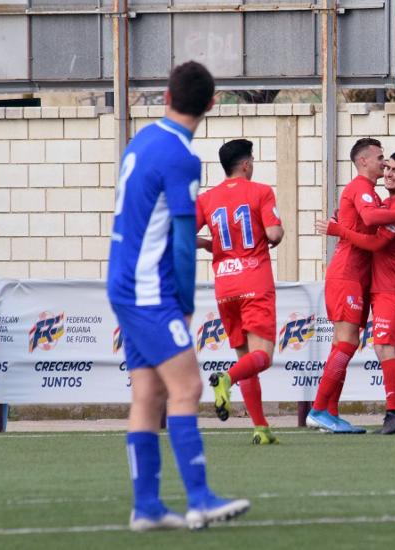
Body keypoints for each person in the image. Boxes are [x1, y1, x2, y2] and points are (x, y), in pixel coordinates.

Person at [107, 61, 249, 531]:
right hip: (151, 290)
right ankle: (200, 498)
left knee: (148, 392)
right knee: (187, 388)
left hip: (124, 281)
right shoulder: (182, 158)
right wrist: (184, 304)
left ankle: (146, 506)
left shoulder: (142, 140)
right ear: (212, 104)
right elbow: (186, 240)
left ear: (166, 95)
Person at [306, 138, 395, 434]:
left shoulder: (375, 194)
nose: (385, 164)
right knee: (348, 342)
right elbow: (368, 219)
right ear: (363, 160)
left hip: (361, 278)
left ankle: (329, 413)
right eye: (381, 158)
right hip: (348, 275)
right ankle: (318, 409)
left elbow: (378, 230)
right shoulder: (361, 188)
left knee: (347, 343)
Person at [196, 139, 283, 445]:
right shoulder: (260, 191)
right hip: (254, 283)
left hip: (225, 288)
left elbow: (177, 233)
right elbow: (273, 233)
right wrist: (276, 232)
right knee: (263, 356)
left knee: (246, 359)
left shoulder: (207, 199)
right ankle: (226, 379)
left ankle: (260, 427)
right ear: (246, 164)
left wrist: (207, 244)